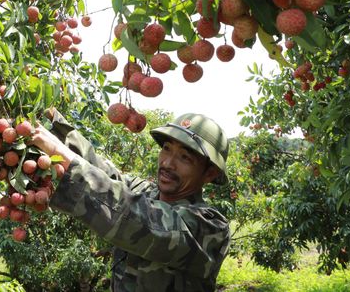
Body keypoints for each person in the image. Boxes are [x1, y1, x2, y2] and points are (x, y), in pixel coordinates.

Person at [31, 109, 231, 292]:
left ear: (210, 173)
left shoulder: (210, 228)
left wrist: (64, 158)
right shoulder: (146, 192)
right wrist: (56, 124)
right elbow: (103, 171)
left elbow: (140, 220)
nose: (168, 163)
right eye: (167, 148)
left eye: (185, 158)